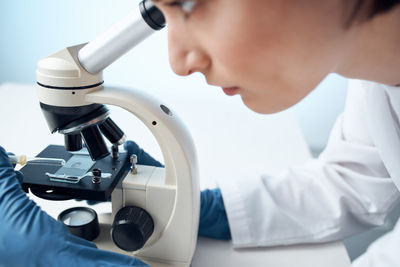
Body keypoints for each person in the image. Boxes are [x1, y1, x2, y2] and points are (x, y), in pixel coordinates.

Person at [1, 0, 400, 266]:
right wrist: (196, 208)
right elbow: (352, 180)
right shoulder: (379, 72)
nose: (178, 62)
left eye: (189, 5)